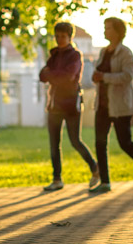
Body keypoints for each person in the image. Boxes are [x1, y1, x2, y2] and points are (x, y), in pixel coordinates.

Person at [90, 17, 133, 193]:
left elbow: (128, 76)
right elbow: (101, 72)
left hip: (121, 105)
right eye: (104, 27)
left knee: (125, 143)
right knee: (99, 142)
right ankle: (105, 182)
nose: (105, 31)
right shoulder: (103, 52)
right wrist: (96, 76)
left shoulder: (125, 53)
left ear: (118, 32)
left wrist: (104, 77)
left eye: (108, 28)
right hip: (102, 105)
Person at [39, 22, 99, 191]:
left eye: (63, 36)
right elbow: (42, 75)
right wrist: (53, 75)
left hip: (70, 104)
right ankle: (57, 178)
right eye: (57, 36)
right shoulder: (54, 55)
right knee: (54, 144)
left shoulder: (75, 56)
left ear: (70, 37)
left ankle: (95, 168)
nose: (59, 39)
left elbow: (68, 76)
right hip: (54, 104)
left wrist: (52, 74)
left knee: (75, 140)